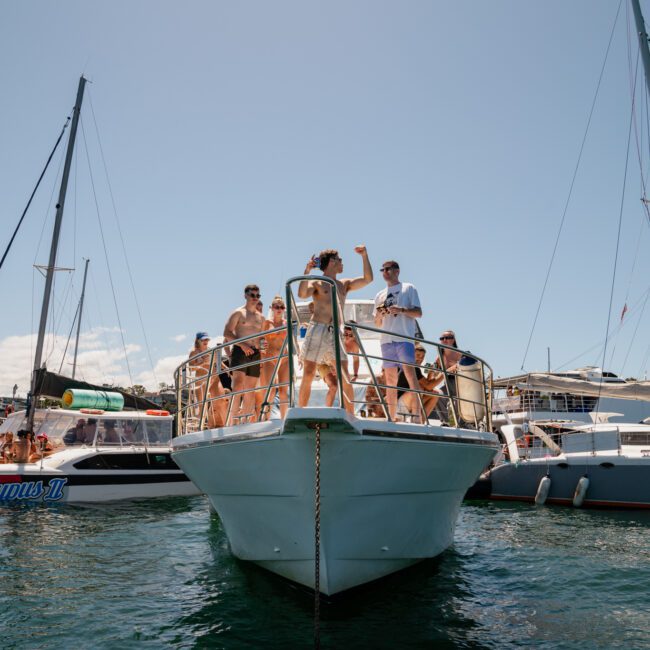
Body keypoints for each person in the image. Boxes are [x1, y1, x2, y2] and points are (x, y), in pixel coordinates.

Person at [297, 246, 373, 412]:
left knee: (344, 374)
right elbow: (302, 294)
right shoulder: (316, 282)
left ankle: (351, 415)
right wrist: (307, 270)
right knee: (308, 373)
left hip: (335, 331)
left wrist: (364, 256)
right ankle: (300, 412)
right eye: (340, 260)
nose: (342, 263)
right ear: (332, 262)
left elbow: (368, 279)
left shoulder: (343, 284)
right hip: (317, 329)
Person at [373, 260, 422, 421]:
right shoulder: (379, 295)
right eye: (383, 270)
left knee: (410, 376)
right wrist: (380, 314)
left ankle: (417, 416)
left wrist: (400, 310)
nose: (385, 272)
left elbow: (418, 313)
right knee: (390, 381)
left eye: (388, 269)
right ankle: (391, 417)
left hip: (404, 338)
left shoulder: (408, 288)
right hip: (386, 341)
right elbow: (377, 323)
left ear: (397, 271)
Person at [223, 284, 266, 423]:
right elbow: (227, 333)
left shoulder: (261, 317)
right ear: (245, 295)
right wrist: (242, 344)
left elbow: (261, 337)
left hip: (255, 353)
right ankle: (231, 423)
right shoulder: (238, 313)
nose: (255, 298)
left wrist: (263, 345)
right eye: (252, 295)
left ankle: (245, 423)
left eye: (257, 295)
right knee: (237, 387)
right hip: (240, 351)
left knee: (250, 389)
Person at [258, 295, 290, 418]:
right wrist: (262, 356)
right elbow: (261, 339)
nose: (279, 309)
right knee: (269, 391)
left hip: (284, 358)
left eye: (281, 306)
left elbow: (292, 341)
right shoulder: (267, 323)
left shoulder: (286, 323)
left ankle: (284, 419)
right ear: (272, 308)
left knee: (283, 392)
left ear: (284, 308)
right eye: (276, 306)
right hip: (269, 358)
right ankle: (267, 419)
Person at [189, 332, 227, 428]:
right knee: (203, 407)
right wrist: (202, 364)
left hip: (214, 379)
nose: (205, 341)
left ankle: (219, 423)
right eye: (203, 340)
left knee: (220, 400)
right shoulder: (194, 352)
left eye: (207, 339)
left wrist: (227, 369)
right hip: (201, 380)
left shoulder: (211, 351)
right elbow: (191, 368)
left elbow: (219, 362)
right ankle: (205, 427)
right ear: (198, 340)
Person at [396, 343, 442, 420]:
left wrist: (431, 373)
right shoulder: (411, 365)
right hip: (398, 406)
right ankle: (416, 420)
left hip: (406, 404)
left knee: (435, 394)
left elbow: (428, 387)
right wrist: (446, 373)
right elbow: (428, 386)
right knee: (419, 388)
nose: (420, 358)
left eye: (422, 357)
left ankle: (421, 421)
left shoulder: (416, 368)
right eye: (417, 355)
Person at [434, 330, 463, 423]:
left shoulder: (459, 354)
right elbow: (434, 370)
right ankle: (446, 422)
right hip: (447, 382)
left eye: (448, 337)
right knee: (436, 394)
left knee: (456, 402)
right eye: (442, 338)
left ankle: (459, 423)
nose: (445, 340)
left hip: (460, 383)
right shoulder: (440, 356)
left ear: (453, 340)